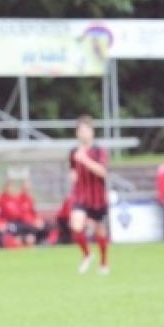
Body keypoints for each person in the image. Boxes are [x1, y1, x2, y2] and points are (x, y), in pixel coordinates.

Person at [68, 115, 110, 275]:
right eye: (80, 131)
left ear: (92, 132)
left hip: (98, 198)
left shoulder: (99, 151)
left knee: (100, 231)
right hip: (81, 196)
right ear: (77, 134)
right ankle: (87, 254)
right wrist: (72, 176)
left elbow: (103, 172)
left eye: (86, 130)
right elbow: (72, 170)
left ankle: (104, 262)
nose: (83, 134)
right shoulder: (73, 152)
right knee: (76, 226)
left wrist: (85, 160)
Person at [17, 180, 51, 246]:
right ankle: (30, 244)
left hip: (32, 221)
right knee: (31, 228)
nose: (28, 190)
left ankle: (42, 241)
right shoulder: (19, 199)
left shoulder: (30, 199)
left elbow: (34, 212)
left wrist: (38, 220)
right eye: (26, 188)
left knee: (47, 225)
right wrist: (33, 221)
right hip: (24, 223)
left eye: (29, 188)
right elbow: (20, 215)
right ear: (22, 188)